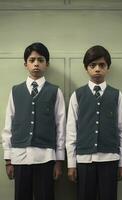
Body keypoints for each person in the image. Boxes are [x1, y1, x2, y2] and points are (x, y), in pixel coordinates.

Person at [66, 45, 122, 200]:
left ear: (108, 68)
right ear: (86, 68)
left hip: (110, 160)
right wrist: (71, 164)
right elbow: (71, 131)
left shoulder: (116, 95)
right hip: (84, 160)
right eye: (92, 65)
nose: (97, 69)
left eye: (102, 65)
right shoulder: (78, 95)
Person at [2, 42, 66, 200]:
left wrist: (59, 161)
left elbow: (61, 127)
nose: (36, 63)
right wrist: (8, 159)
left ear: (47, 64)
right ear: (25, 64)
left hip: (46, 157)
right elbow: (8, 125)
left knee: (46, 196)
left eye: (41, 60)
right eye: (32, 60)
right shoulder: (15, 91)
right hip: (19, 156)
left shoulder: (55, 91)